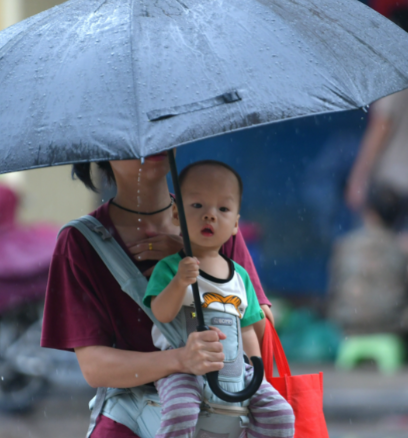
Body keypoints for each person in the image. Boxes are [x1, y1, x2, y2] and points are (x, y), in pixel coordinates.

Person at [41, 152, 274, 437]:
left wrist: (199, 257)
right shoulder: (79, 242)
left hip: (219, 416)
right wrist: (180, 360)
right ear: (101, 149)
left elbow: (260, 329)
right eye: (129, 134)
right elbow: (95, 367)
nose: (150, 146)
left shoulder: (213, 221)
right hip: (129, 422)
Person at [144, 161, 294, 438]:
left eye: (223, 209)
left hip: (238, 370)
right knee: (180, 411)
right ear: (176, 214)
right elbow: (161, 314)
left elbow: (247, 328)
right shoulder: (170, 268)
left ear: (236, 224)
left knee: (281, 414)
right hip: (183, 370)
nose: (209, 215)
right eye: (197, 205)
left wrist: (256, 368)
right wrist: (179, 282)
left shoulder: (240, 277)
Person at [344, 5, 408, 358]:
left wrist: (358, 176)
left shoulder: (394, 73)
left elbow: (381, 128)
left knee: (376, 252)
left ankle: (375, 325)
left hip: (391, 182)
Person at [329, 184, 408, 336]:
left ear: (369, 211)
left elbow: (333, 289)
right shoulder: (403, 250)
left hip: (348, 324)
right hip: (391, 326)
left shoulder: (345, 246)